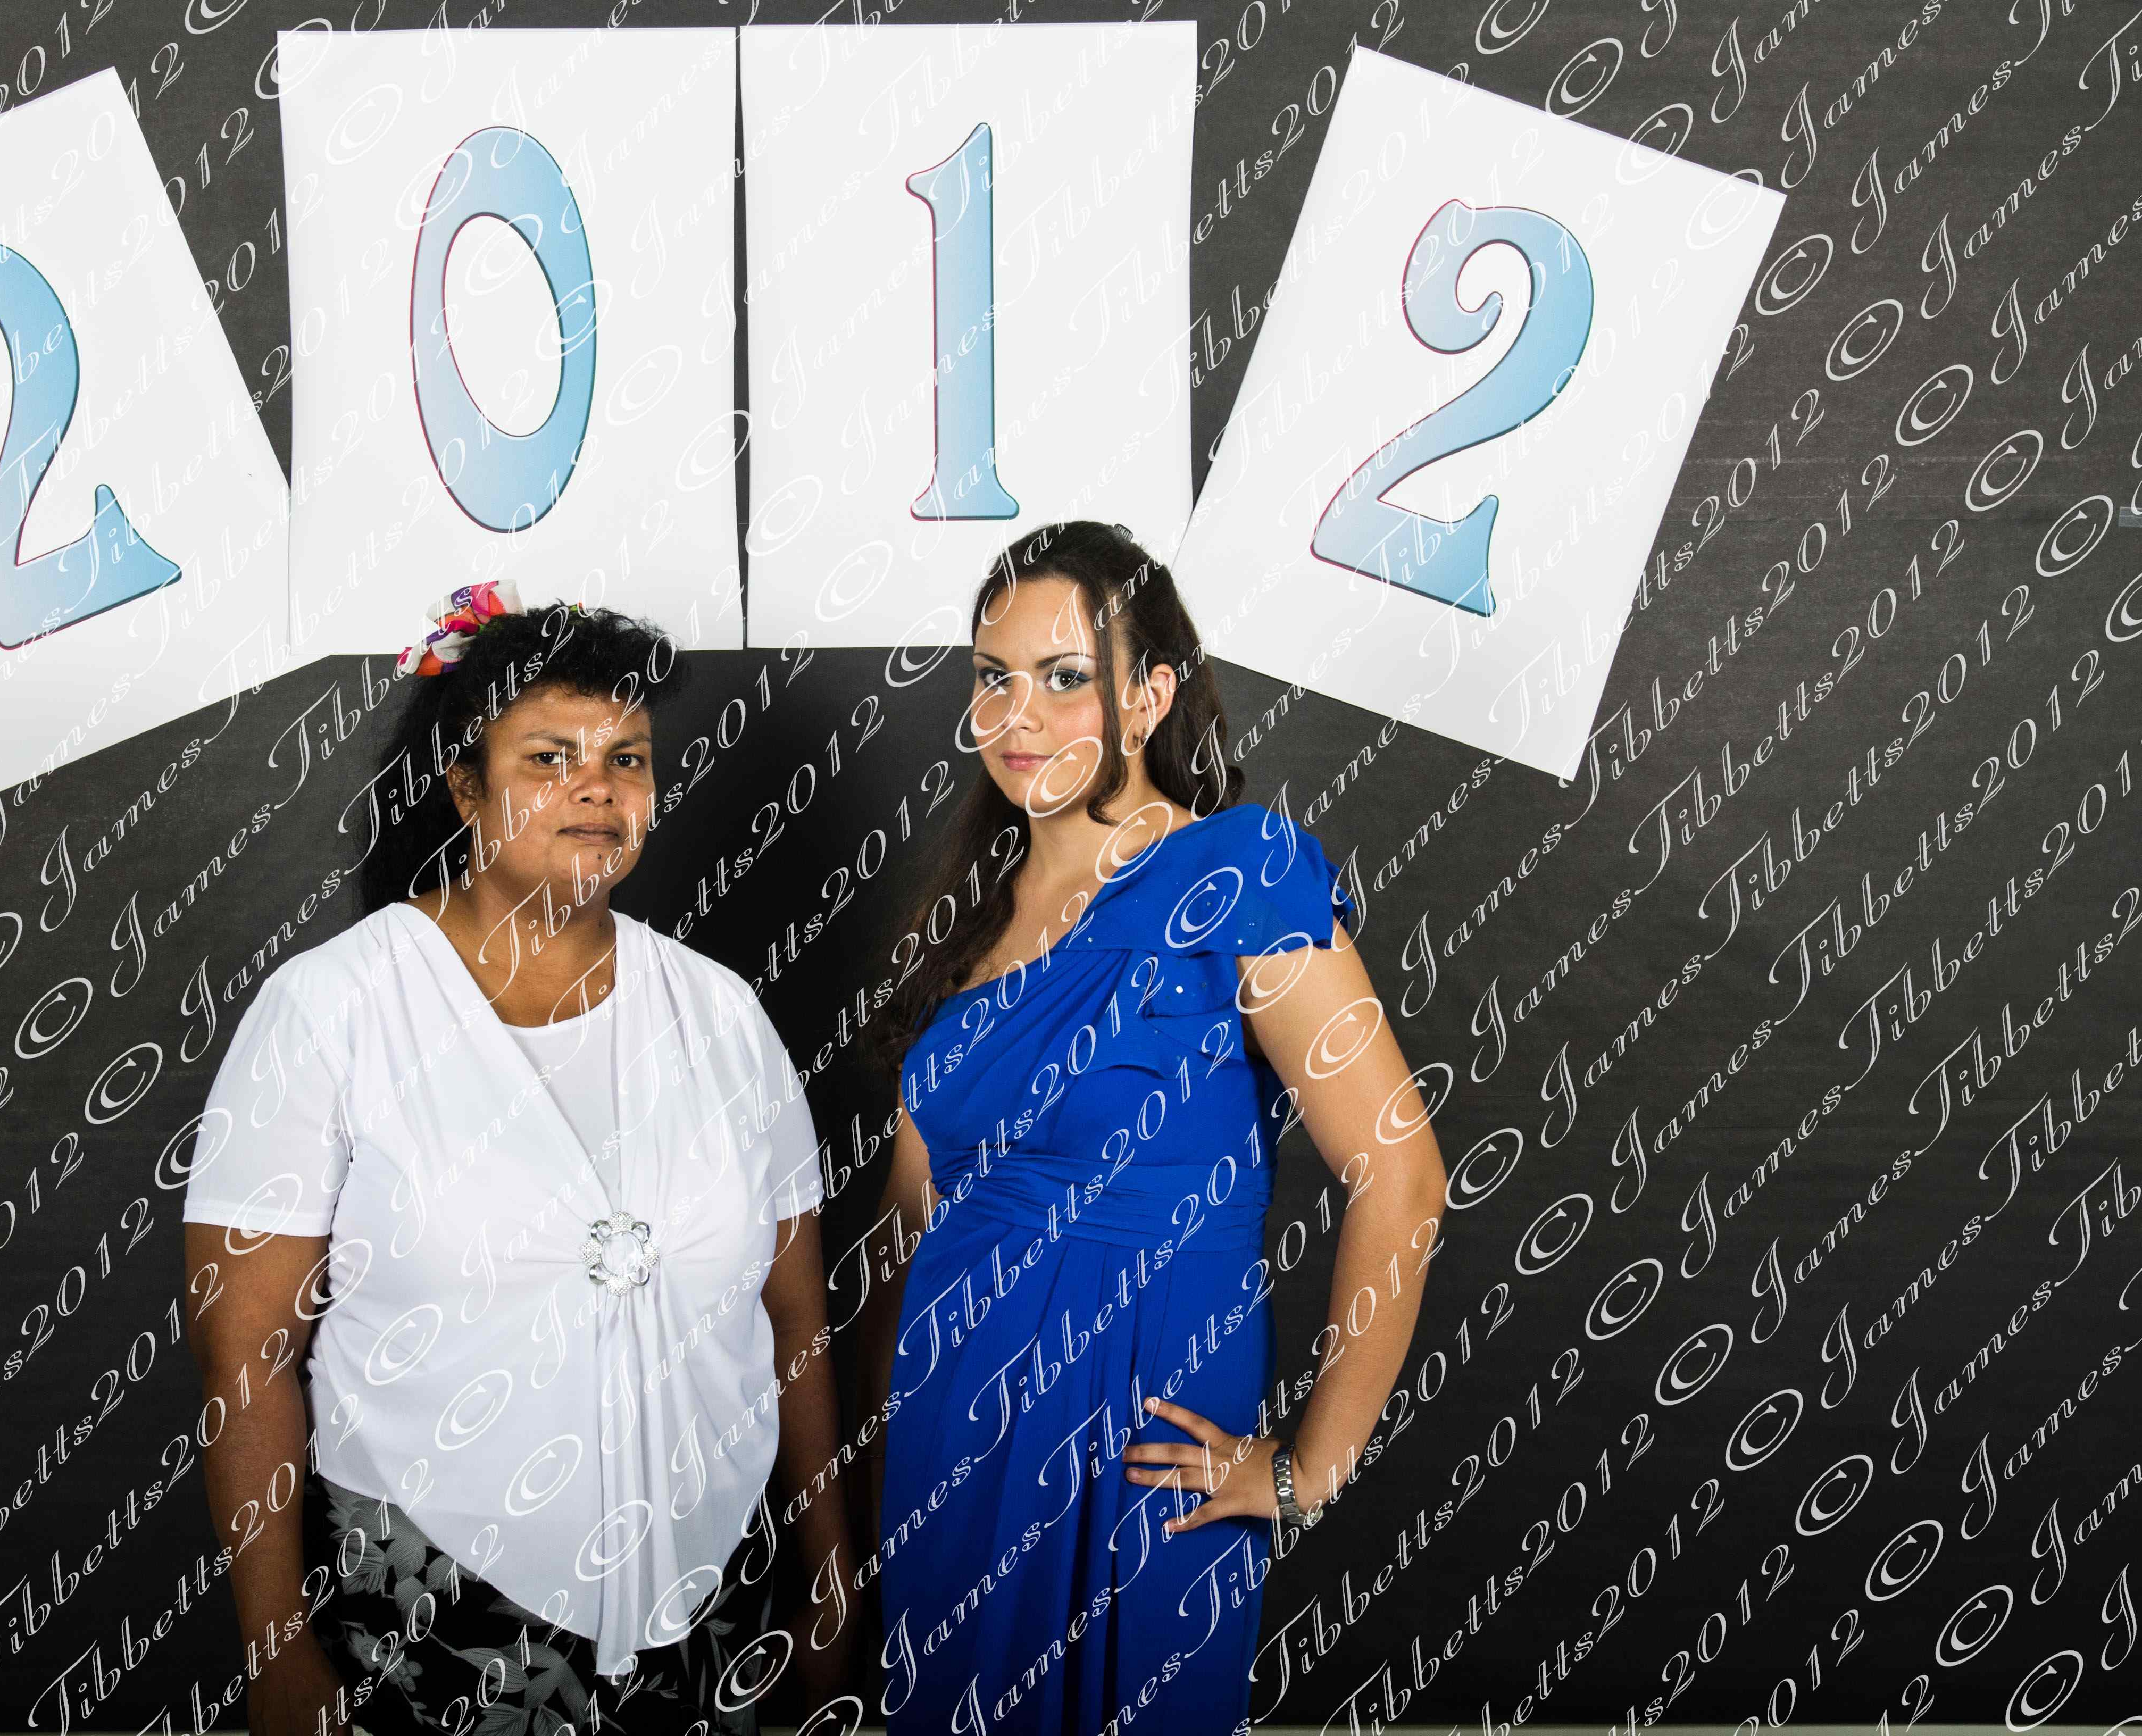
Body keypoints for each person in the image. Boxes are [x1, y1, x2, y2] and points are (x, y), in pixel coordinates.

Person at [181, 582, 857, 1736]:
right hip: (433, 1608)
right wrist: (277, 1647)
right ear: (465, 785)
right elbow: (246, 1356)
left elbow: (794, 1323)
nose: (597, 788)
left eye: (627, 760)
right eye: (550, 758)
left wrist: (828, 1580)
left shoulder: (722, 1016)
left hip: (712, 1601)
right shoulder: (334, 1010)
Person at [851, 522, 1449, 1734]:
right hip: (947, 1443)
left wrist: (1307, 1469)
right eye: (994, 677)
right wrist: (871, 1492)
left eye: (1066, 676)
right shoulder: (970, 919)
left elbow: (1401, 1171)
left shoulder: (1238, 868)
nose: (1019, 715)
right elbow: (904, 1240)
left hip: (1143, 1432)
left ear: (1151, 695)